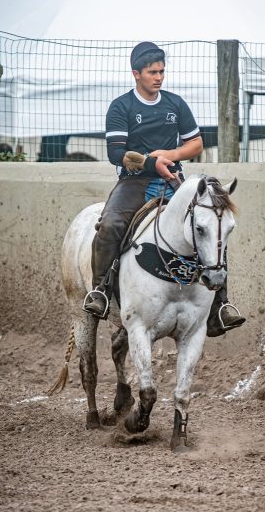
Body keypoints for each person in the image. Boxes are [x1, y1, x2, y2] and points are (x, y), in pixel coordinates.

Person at [83, 41, 245, 337]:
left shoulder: (175, 103)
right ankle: (100, 292)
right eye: (152, 72)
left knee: (210, 223)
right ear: (136, 74)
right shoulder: (121, 107)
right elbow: (116, 153)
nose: (158, 77)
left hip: (173, 180)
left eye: (161, 71)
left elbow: (195, 143)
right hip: (135, 182)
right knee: (110, 224)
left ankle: (220, 306)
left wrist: (169, 156)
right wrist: (150, 163)